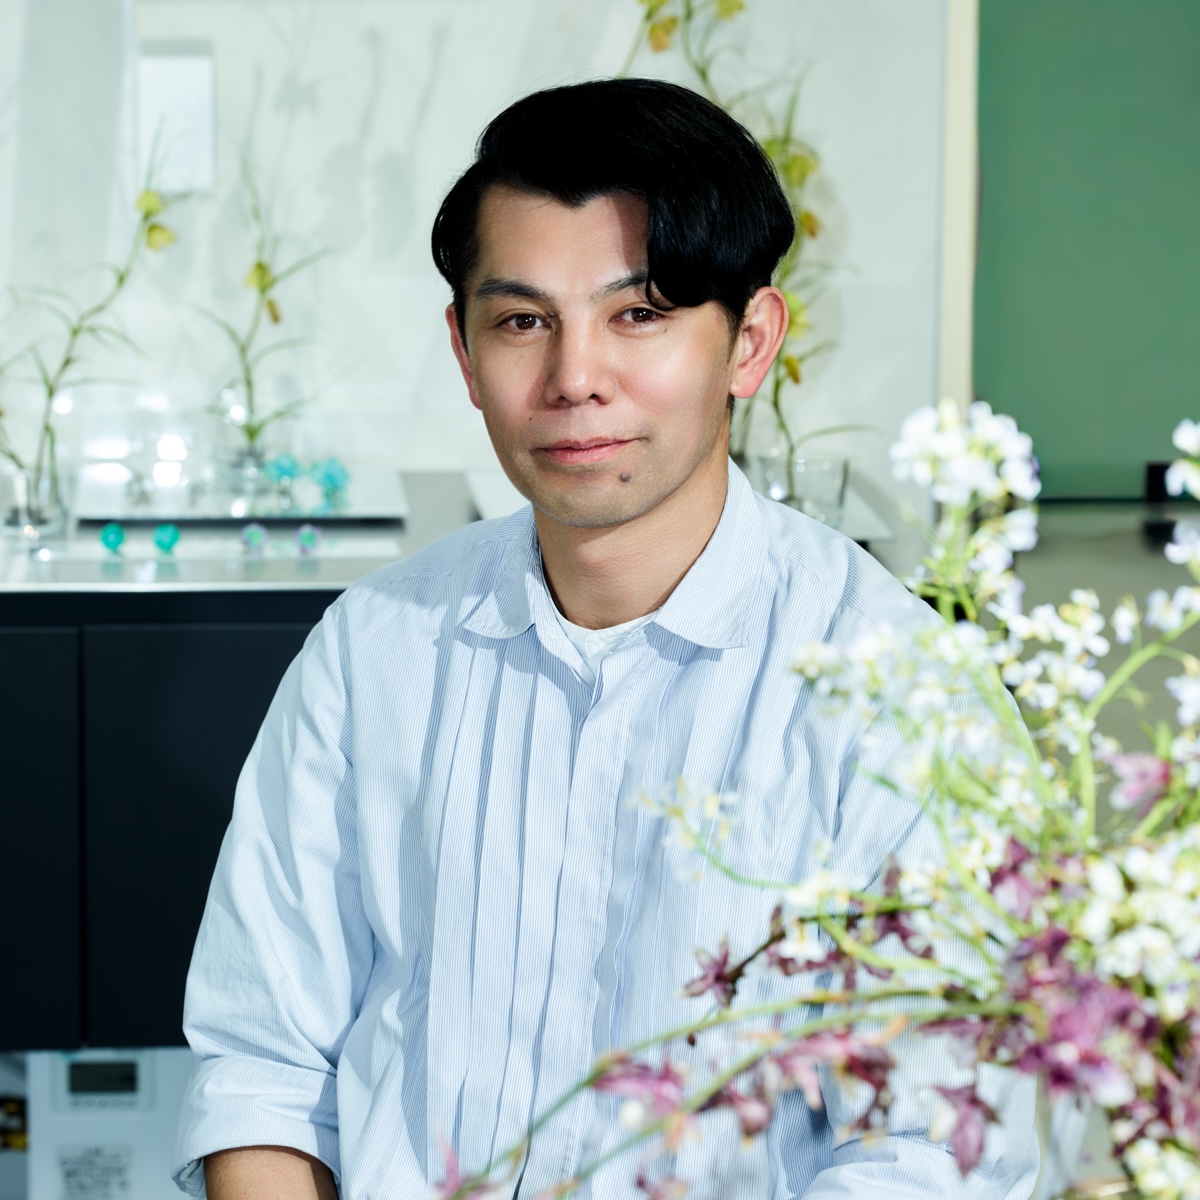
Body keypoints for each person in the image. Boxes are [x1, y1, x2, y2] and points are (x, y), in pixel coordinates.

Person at [172, 78, 1037, 1199]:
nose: (575, 379)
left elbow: (934, 1153)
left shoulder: (904, 695)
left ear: (750, 342)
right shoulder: (371, 651)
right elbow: (263, 1067)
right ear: (465, 351)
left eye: (639, 315)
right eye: (523, 322)